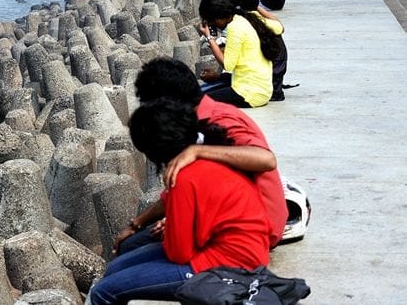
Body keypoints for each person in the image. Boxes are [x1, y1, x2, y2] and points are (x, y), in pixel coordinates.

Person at [88, 98, 271, 304]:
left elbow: (179, 253)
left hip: (231, 265)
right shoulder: (208, 152)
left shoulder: (183, 177)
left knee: (103, 291)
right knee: (115, 268)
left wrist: (173, 228)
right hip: (235, 249)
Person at [112, 58, 287, 256]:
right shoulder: (197, 119)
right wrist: (138, 222)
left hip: (256, 227)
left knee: (133, 255)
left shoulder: (220, 119)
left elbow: (266, 160)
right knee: (131, 247)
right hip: (228, 217)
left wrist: (198, 151)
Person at [198, 0, 279, 108]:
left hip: (249, 93)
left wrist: (210, 38)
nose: (213, 25)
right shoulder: (241, 20)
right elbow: (279, 27)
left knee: (199, 101)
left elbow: (228, 65)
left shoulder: (234, 28)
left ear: (218, 17)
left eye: (212, 22)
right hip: (262, 89)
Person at [228, 0, 288, 101]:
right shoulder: (264, 23)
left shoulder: (242, 26)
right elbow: (280, 26)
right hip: (274, 83)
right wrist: (256, 7)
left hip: (259, 85)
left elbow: (229, 64)